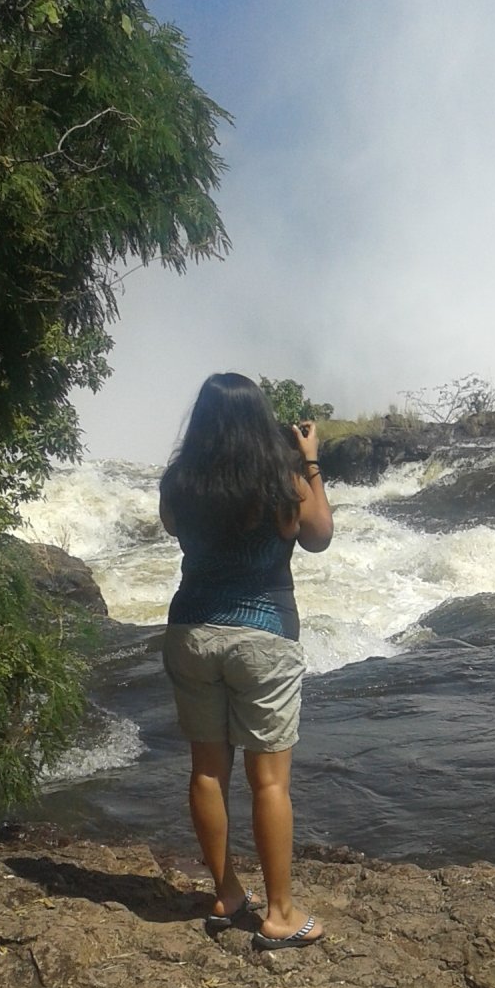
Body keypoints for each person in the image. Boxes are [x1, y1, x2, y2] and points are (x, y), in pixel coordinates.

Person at [158, 372, 333, 951]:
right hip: (263, 636)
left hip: (192, 632)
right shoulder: (281, 479)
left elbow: (176, 531)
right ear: (261, 419)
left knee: (207, 770)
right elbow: (318, 536)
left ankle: (227, 893)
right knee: (269, 781)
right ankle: (280, 913)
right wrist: (309, 461)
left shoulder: (180, 482)